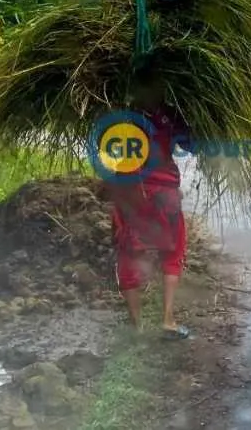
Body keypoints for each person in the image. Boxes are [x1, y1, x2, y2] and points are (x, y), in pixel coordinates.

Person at [108, 85, 194, 339]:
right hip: (164, 192)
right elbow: (191, 145)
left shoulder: (121, 114)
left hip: (129, 189)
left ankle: (137, 325)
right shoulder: (169, 114)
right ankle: (167, 321)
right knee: (173, 251)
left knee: (128, 251)